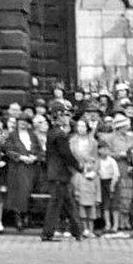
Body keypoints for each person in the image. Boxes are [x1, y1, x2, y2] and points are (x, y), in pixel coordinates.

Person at [40, 102, 84, 242]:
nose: (66, 117)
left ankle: (77, 232)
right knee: (57, 204)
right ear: (58, 115)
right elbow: (66, 154)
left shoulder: (53, 132)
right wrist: (78, 166)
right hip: (60, 173)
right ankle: (48, 233)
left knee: (68, 203)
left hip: (56, 173)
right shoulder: (59, 134)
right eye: (64, 115)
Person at [3, 114, 42, 231]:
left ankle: (27, 217)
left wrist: (34, 157)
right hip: (17, 167)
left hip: (32, 168)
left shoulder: (33, 135)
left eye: (25, 121)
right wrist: (20, 157)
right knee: (20, 193)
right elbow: (8, 150)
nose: (23, 123)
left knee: (29, 191)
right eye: (20, 121)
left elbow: (40, 150)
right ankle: (19, 218)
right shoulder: (12, 135)